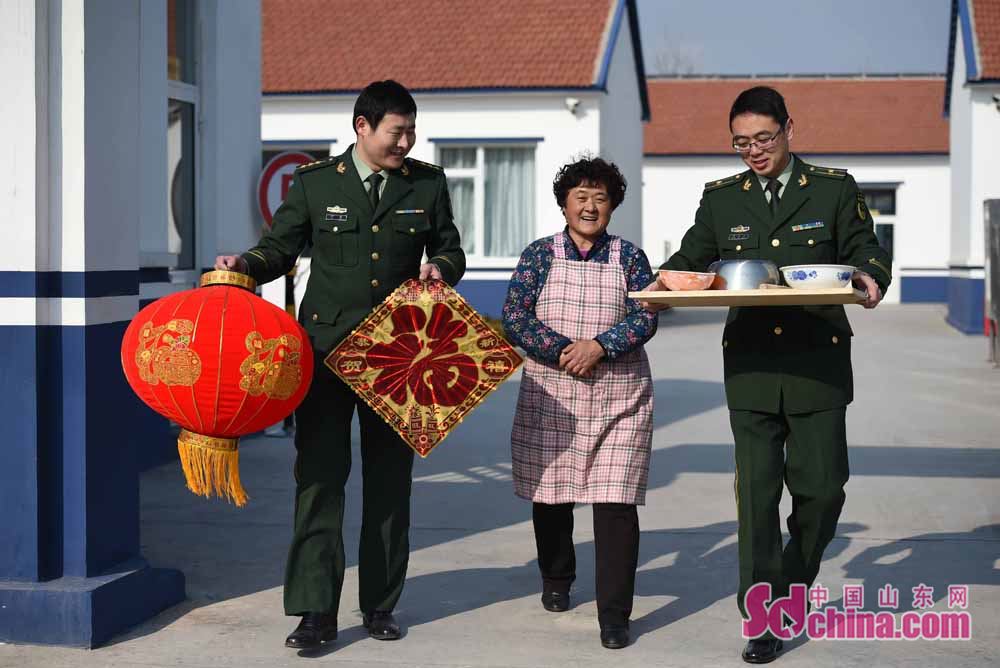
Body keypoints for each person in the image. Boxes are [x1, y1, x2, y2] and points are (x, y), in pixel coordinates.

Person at [215, 79, 465, 651]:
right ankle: (314, 611)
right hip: (325, 354)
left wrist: (442, 269)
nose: (406, 142)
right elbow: (279, 248)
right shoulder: (316, 183)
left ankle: (380, 604)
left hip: (398, 357)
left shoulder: (427, 183)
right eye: (396, 132)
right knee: (320, 481)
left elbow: (450, 248)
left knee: (389, 483)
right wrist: (245, 265)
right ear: (362, 127)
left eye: (411, 132)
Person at [642, 86, 890, 663]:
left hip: (817, 365)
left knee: (822, 492)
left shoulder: (832, 188)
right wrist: (662, 283)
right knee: (756, 500)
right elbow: (692, 257)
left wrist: (869, 276)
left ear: (788, 130)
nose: (753, 151)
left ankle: (793, 587)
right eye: (741, 142)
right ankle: (762, 618)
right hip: (751, 367)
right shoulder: (722, 199)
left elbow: (866, 248)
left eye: (763, 138)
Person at [502, 157, 657, 650]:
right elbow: (515, 316)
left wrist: (600, 347)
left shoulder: (630, 257)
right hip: (553, 393)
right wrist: (565, 351)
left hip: (620, 396)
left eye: (600, 198)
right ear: (564, 204)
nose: (590, 207)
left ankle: (614, 615)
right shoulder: (539, 255)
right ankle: (557, 576)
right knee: (552, 494)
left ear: (613, 206)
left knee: (617, 502)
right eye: (581, 197)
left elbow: (646, 316)